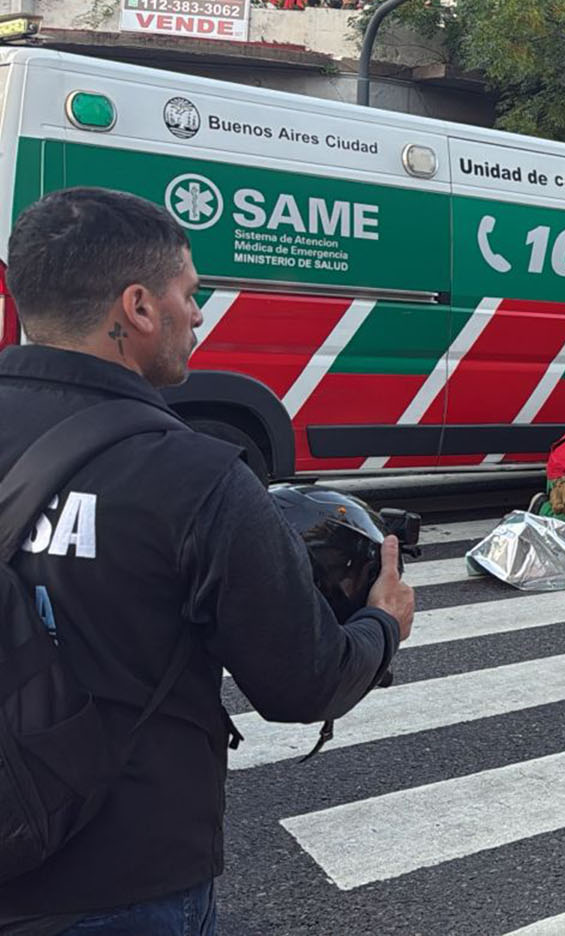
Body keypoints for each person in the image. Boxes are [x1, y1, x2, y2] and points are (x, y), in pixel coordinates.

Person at [0, 188, 413, 933]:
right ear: (137, 307)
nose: (198, 315)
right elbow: (302, 682)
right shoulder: (196, 476)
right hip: (122, 876)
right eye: (190, 295)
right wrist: (382, 625)